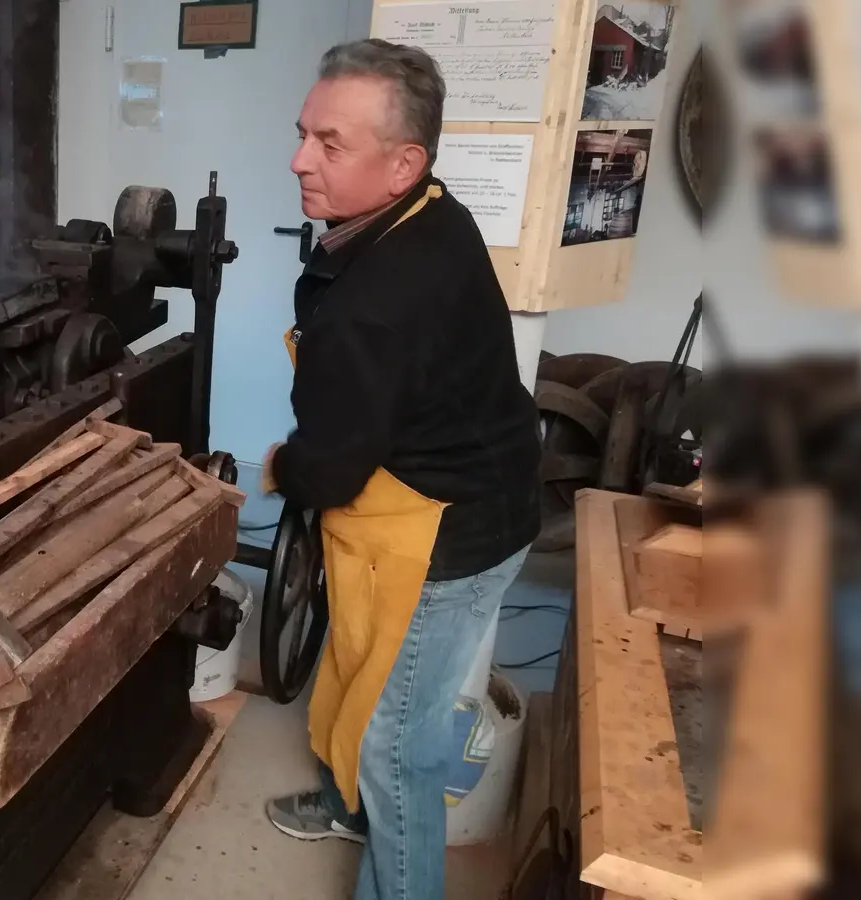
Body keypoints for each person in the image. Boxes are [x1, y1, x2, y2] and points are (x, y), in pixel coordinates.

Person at [259, 39, 541, 900]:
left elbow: (331, 472)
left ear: (403, 165)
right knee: (354, 670)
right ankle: (352, 811)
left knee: (396, 744)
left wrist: (282, 468)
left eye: (330, 144)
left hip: (447, 538)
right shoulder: (430, 211)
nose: (299, 160)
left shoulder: (375, 306)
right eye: (303, 134)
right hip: (466, 488)